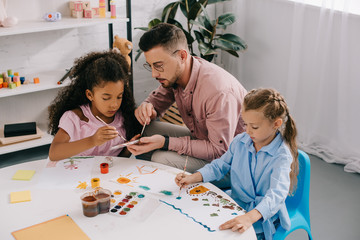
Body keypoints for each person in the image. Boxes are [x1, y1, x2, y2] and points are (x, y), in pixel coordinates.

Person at [175, 88, 299, 240]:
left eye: (254, 127)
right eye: (245, 124)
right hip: (234, 203)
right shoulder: (240, 141)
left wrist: (249, 218)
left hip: (260, 215)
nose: (248, 131)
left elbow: (277, 195)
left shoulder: (282, 155)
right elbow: (220, 165)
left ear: (276, 124)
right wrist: (194, 177)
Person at [127, 23, 247, 176]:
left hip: (232, 163)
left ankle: (168, 189)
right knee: (145, 132)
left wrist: (166, 142)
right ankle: (154, 184)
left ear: (182, 56)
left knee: (161, 158)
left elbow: (219, 150)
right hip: (204, 140)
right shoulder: (177, 74)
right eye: (150, 66)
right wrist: (147, 107)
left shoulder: (218, 92)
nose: (154, 74)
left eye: (158, 66)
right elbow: (158, 101)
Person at [48, 51, 141, 161]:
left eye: (119, 96)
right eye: (106, 98)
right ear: (90, 95)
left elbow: (117, 160)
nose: (114, 105)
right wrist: (92, 141)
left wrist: (128, 148)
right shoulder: (75, 118)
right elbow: (54, 153)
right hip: (79, 175)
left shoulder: (123, 117)